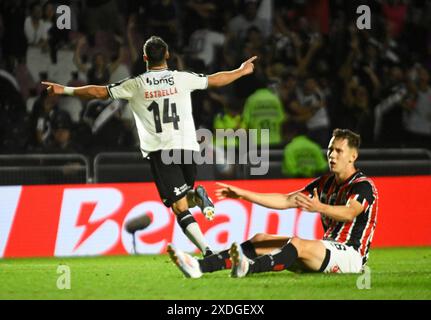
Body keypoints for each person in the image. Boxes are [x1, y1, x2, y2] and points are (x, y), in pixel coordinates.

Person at [42, 36, 258, 257]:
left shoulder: (135, 84)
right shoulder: (182, 78)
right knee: (183, 198)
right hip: (188, 148)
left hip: (161, 150)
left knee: (179, 208)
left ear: (145, 57)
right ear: (167, 55)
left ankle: (208, 252)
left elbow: (98, 92)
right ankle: (198, 196)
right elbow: (215, 79)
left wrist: (64, 90)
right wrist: (241, 71)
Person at [167, 129, 378, 278]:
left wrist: (319, 207)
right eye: (330, 149)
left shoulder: (363, 186)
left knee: (296, 243)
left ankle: (248, 268)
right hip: (326, 250)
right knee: (261, 239)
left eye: (338, 151)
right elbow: (286, 200)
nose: (331, 155)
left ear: (353, 156)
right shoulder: (325, 183)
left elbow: (350, 212)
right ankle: (198, 266)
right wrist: (243, 195)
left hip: (351, 255)